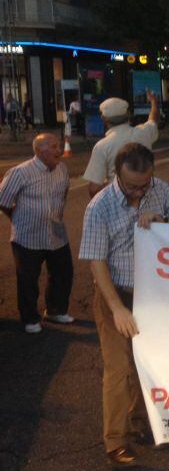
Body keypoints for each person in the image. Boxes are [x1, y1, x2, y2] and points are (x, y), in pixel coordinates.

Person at [80, 143, 169, 467]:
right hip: (115, 294)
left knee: (146, 364)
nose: (139, 193)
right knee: (118, 368)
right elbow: (96, 262)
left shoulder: (161, 190)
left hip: (152, 296)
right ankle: (115, 440)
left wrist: (163, 221)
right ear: (116, 175)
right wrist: (117, 308)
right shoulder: (99, 207)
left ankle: (142, 422)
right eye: (131, 186)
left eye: (144, 185)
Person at [0, 134, 74, 333]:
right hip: (28, 237)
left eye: (59, 146)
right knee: (28, 280)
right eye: (54, 146)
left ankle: (56, 310)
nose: (59, 150)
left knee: (62, 273)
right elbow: (3, 200)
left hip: (56, 234)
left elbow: (64, 193)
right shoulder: (20, 173)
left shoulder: (62, 169)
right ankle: (30, 318)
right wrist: (18, 218)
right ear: (40, 151)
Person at [82, 90, 159, 198]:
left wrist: (112, 185)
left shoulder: (102, 146)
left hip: (117, 204)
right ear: (128, 115)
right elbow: (153, 120)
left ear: (104, 119)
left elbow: (93, 189)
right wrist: (154, 102)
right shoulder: (144, 133)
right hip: (146, 198)